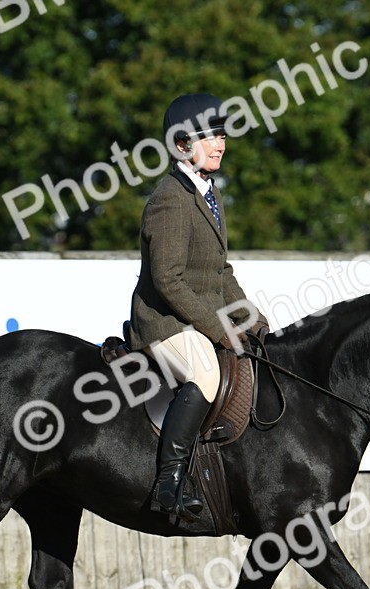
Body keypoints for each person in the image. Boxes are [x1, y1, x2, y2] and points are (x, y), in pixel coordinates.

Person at [127, 93, 268, 521]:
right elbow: (168, 279)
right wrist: (218, 328)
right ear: (183, 144)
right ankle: (168, 482)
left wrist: (250, 317)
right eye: (210, 136)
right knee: (206, 371)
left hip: (197, 318)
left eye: (222, 134)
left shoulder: (209, 193)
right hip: (163, 323)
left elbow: (221, 271)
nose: (220, 143)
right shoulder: (170, 199)